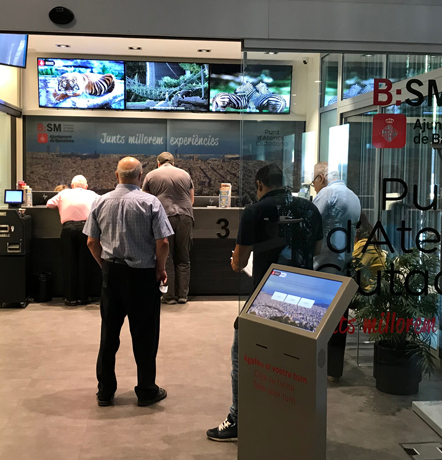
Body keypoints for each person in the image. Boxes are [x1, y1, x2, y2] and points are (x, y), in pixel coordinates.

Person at [206, 163, 323, 441]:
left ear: (259, 184)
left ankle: (238, 418)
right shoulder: (309, 208)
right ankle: (291, 420)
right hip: (303, 297)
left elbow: (240, 261)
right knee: (294, 359)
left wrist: (235, 262)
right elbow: (317, 249)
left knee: (242, 354)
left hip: (266, 298)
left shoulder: (254, 211)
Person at [84, 157, 174, 407]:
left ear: (117, 176)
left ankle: (105, 391)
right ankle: (146, 390)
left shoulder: (100, 201)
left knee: (109, 334)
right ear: (140, 177)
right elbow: (163, 242)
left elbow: (91, 242)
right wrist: (160, 268)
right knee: (145, 336)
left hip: (111, 273)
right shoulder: (150, 202)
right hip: (142, 276)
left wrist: (105, 266)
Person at [311, 163, 361, 381]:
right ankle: (334, 368)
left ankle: (315, 366)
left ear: (321, 178)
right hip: (344, 264)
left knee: (317, 318)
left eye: (314, 182)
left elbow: (311, 222)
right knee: (340, 319)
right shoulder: (354, 197)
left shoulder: (327, 193)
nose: (314, 187)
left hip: (323, 263)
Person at [143, 152, 195, 305]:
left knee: (166, 257)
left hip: (163, 217)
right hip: (185, 216)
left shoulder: (151, 175)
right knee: (183, 257)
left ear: (158, 163)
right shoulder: (185, 175)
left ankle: (169, 296)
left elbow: (145, 201)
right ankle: (183, 295)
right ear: (173, 162)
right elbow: (191, 200)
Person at [46, 175, 100, 306]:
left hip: (68, 229)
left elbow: (49, 204)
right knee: (85, 263)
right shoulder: (92, 194)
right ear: (86, 186)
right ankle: (83, 297)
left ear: (72, 185)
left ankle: (70, 298)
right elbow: (102, 205)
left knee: (69, 263)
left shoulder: (64, 193)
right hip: (86, 229)